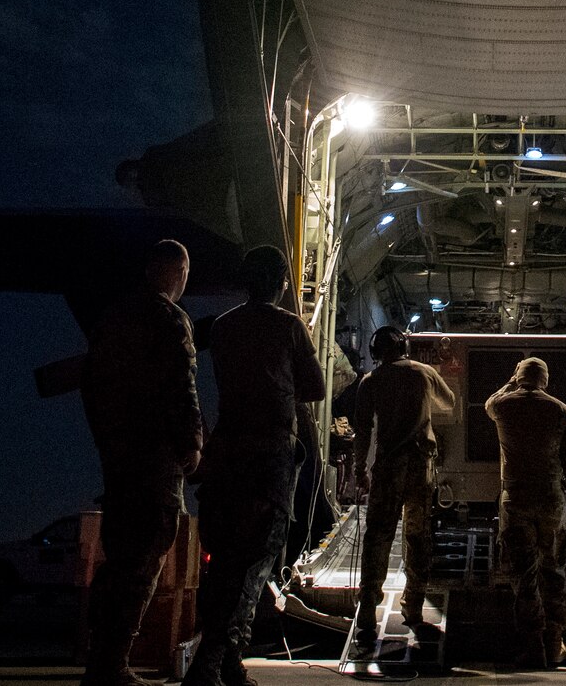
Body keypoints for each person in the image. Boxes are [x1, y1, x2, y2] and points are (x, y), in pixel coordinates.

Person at [187, 246, 327, 686]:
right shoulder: (288, 326)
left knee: (224, 562)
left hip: (226, 454)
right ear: (281, 283)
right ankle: (211, 662)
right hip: (269, 459)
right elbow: (316, 388)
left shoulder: (224, 327)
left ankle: (228, 663)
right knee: (254, 561)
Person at [79, 239, 204, 686]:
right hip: (155, 461)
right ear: (179, 271)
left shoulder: (113, 317)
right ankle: (112, 665)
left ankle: (101, 660)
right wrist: (192, 442)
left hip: (118, 458)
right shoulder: (169, 318)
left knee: (118, 560)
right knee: (145, 557)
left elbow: (90, 384)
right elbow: (182, 385)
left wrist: (108, 440)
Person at [352, 325, 456, 642]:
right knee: (417, 536)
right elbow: (449, 402)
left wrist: (360, 469)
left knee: (378, 536)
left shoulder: (370, 381)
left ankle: (368, 608)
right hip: (420, 467)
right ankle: (413, 608)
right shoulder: (423, 373)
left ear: (376, 351)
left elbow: (362, 430)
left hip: (387, 468)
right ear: (403, 347)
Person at [484, 356, 566, 670]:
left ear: (519, 377)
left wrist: (512, 381)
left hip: (516, 499)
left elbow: (489, 402)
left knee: (524, 575)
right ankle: (555, 642)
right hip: (552, 499)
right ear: (545, 380)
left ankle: (533, 646)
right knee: (553, 569)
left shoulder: (502, 407)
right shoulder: (562, 412)